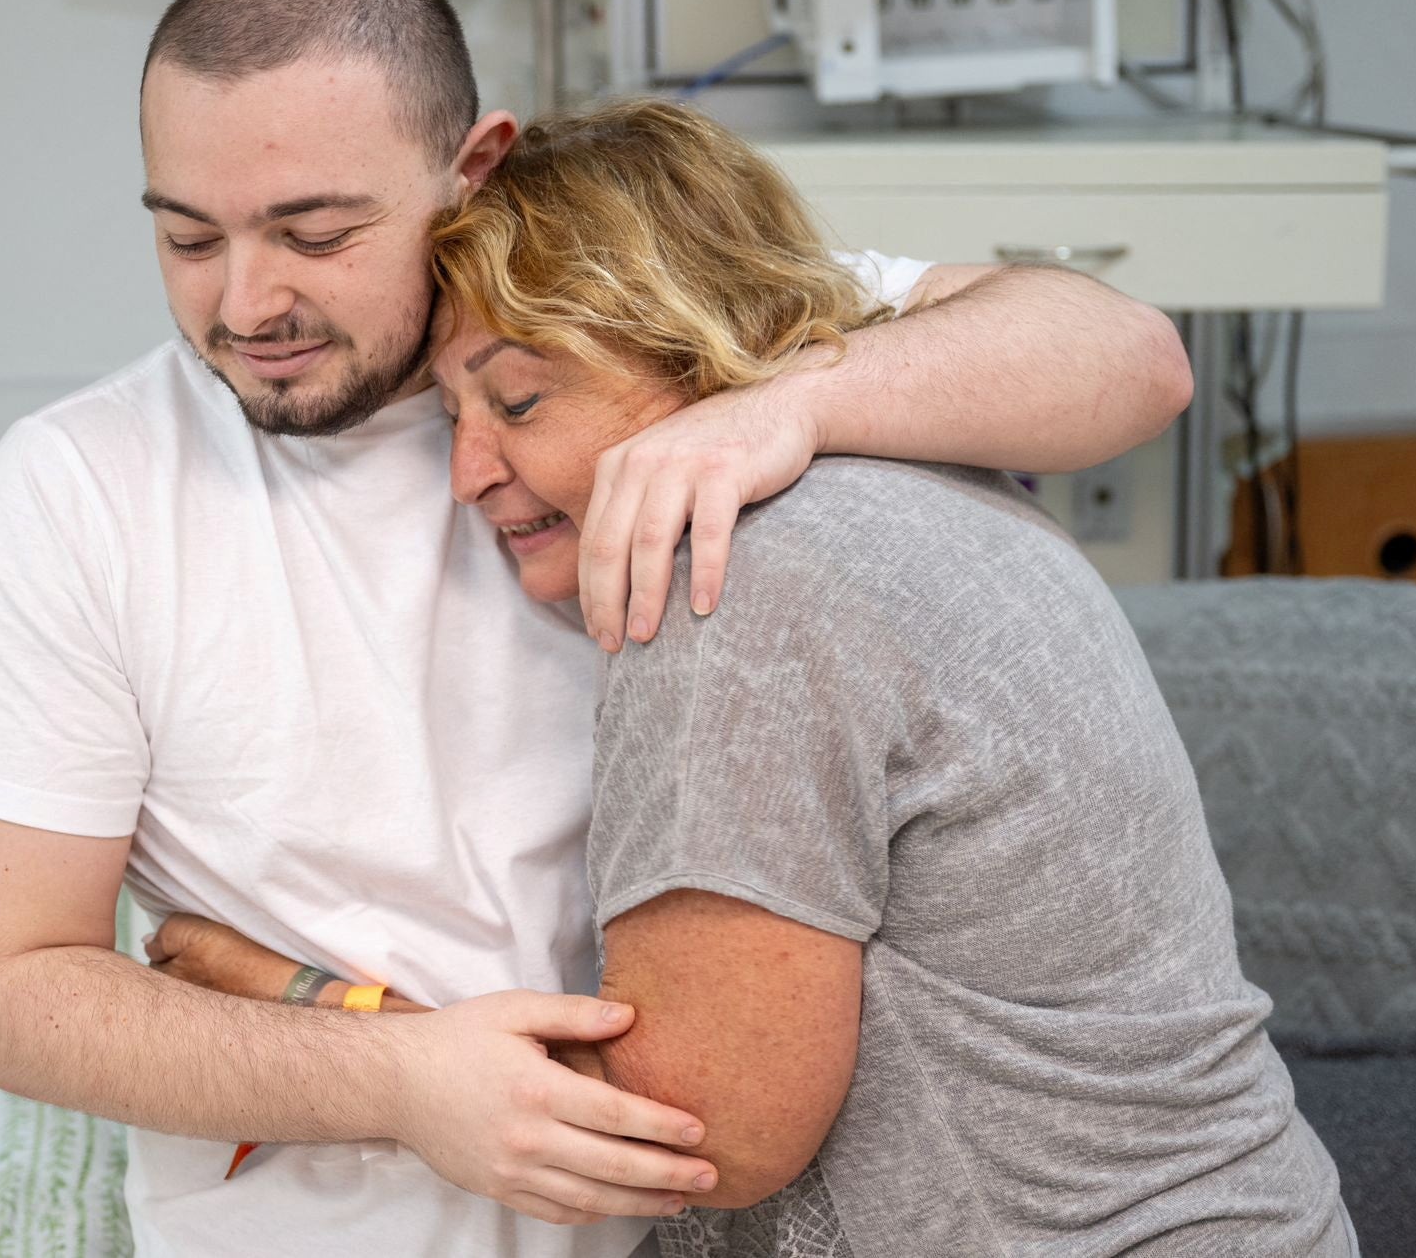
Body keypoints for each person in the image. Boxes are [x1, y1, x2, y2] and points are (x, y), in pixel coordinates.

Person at [0, 0, 1193, 1258]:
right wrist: (398, 1084)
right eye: (188, 237)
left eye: (317, 232)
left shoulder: (638, 333)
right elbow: (10, 987)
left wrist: (788, 411)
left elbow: (1128, 358)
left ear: (474, 169)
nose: (249, 303)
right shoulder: (76, 490)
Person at [151, 97, 1354, 1257]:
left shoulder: (740, 581)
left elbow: (688, 1138)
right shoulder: (927, 469)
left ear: (687, 340)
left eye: (517, 399)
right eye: (453, 416)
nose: (469, 472)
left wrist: (299, 997)